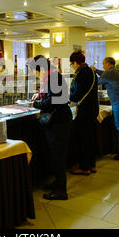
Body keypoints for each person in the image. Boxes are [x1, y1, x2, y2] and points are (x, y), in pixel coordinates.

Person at [30, 55, 72, 200]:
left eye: (36, 72)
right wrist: (39, 95)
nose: (36, 75)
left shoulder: (53, 78)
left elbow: (53, 101)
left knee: (58, 156)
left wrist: (35, 104)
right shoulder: (53, 76)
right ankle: (57, 182)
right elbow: (52, 95)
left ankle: (61, 191)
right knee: (56, 155)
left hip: (58, 122)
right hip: (61, 120)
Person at [91, 57, 119, 160]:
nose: (103, 66)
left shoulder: (109, 73)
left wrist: (91, 73)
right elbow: (104, 73)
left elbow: (96, 82)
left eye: (104, 64)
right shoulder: (116, 71)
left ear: (108, 64)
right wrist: (95, 70)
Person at [68, 50, 99, 175]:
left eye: (72, 64)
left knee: (83, 139)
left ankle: (84, 167)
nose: (72, 66)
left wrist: (69, 98)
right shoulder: (91, 71)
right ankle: (92, 165)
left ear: (75, 62)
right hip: (92, 108)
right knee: (90, 138)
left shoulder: (81, 73)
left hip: (85, 110)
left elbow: (78, 91)